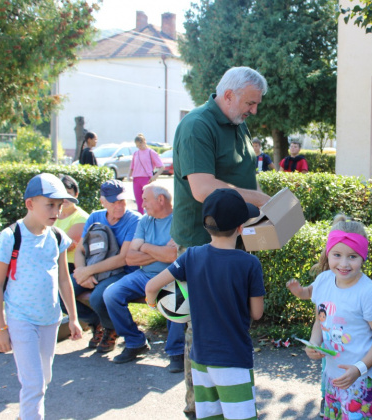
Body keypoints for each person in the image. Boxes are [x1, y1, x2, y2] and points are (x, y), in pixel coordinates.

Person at [171, 65, 270, 419]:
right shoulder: (198, 125)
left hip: (234, 239)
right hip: (202, 244)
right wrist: (256, 200)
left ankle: (226, 404)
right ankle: (197, 409)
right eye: (250, 103)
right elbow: (202, 188)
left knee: (228, 323)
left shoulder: (236, 122)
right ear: (228, 95)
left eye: (256, 104)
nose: (253, 111)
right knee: (202, 329)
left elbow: (240, 177)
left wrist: (266, 209)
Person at [145, 188, 265, 420]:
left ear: (205, 224)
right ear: (241, 228)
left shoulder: (191, 256)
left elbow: (151, 288)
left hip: (200, 359)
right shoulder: (250, 264)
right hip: (234, 359)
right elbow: (257, 313)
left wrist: (154, 306)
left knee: (210, 416)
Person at [0, 173, 82, 420]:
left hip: (50, 320)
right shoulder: (11, 237)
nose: (56, 210)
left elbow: (64, 279)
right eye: (50, 204)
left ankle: (25, 415)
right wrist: (0, 328)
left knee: (44, 378)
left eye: (60, 205)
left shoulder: (57, 237)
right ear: (30, 204)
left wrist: (72, 317)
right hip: (21, 319)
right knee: (34, 384)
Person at [304, 214, 372, 419]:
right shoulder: (324, 280)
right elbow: (321, 318)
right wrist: (313, 343)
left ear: (363, 256)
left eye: (352, 256)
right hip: (332, 377)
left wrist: (358, 369)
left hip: (361, 381)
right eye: (337, 255)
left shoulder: (369, 293)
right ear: (328, 254)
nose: (344, 264)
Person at [103, 184, 184, 370]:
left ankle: (176, 352)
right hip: (144, 274)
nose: (142, 204)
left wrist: (144, 246)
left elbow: (173, 257)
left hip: (170, 276)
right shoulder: (146, 221)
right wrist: (160, 250)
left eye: (145, 199)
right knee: (111, 294)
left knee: (177, 298)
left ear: (160, 200)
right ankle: (135, 342)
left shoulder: (179, 220)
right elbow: (130, 258)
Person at [72, 179, 141, 353]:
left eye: (122, 201)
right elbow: (80, 250)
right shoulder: (95, 216)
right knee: (63, 291)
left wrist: (88, 271)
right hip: (94, 270)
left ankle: (110, 328)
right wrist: (81, 273)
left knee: (97, 297)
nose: (119, 206)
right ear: (102, 201)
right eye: (114, 202)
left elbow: (123, 259)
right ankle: (96, 323)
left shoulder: (134, 220)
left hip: (122, 272)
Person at [54, 175, 89, 275]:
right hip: (50, 261)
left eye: (68, 193)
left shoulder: (82, 218)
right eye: (62, 193)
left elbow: (66, 246)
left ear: (76, 194)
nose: (65, 198)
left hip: (70, 265)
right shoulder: (51, 214)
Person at [128, 133, 165, 214]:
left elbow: (162, 167)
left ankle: (151, 217)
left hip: (146, 179)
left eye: (140, 144)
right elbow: (132, 167)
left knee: (149, 201)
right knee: (139, 202)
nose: (139, 147)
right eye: (137, 145)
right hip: (136, 179)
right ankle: (140, 219)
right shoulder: (136, 153)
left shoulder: (151, 152)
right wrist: (128, 176)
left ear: (144, 141)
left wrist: (155, 176)